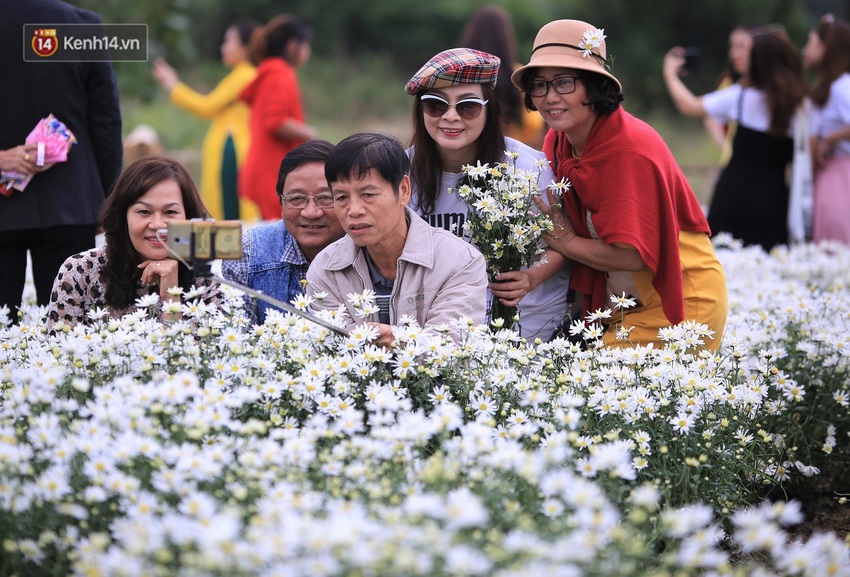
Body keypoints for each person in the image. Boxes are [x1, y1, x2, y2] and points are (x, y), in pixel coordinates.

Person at [512, 19, 727, 350]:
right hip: (623, 298)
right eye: (539, 85)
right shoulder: (558, 140)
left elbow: (632, 258)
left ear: (595, 86)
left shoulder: (628, 148)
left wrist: (568, 241)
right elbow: (551, 224)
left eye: (564, 82)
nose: (549, 97)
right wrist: (530, 277)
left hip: (680, 301)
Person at [404, 47, 570, 342]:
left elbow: (562, 246)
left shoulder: (527, 168)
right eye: (436, 105)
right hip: (440, 329)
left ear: (488, 110)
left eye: (467, 106)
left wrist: (531, 277)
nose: (450, 117)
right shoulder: (403, 172)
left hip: (525, 329)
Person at [0, 0, 122, 320]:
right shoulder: (83, 26)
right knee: (68, 332)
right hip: (70, 200)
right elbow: (106, 123)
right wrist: (109, 199)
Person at [306, 132, 487, 346]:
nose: (353, 210)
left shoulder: (459, 261)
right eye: (342, 197)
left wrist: (399, 340)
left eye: (368, 195)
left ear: (403, 190)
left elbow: (453, 347)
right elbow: (332, 349)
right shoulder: (325, 269)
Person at [664, 27, 807, 251]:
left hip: (733, 195)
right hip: (775, 200)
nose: (740, 56)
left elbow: (690, 106)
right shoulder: (800, 104)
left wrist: (670, 74)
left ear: (759, 60)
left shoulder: (741, 96)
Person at [45, 156, 225, 328]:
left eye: (170, 212)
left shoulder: (204, 278)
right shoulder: (80, 272)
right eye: (144, 212)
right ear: (123, 216)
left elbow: (197, 357)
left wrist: (171, 298)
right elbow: (58, 352)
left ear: (189, 217)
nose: (157, 225)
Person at [222, 140, 345, 324]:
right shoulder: (247, 252)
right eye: (297, 199)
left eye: (326, 198)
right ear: (281, 203)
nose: (311, 212)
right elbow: (238, 341)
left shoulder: (371, 249)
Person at [153, 18, 261, 222]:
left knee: (230, 210)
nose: (224, 47)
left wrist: (172, 85)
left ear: (246, 46)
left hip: (232, 151)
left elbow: (206, 107)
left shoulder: (244, 75)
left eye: (229, 41)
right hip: (233, 148)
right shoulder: (242, 75)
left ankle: (232, 253)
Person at [239, 15, 319, 221]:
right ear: (293, 45)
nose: (308, 51)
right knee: (280, 229)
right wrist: (309, 133)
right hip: (271, 170)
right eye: (306, 45)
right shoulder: (280, 73)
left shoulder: (267, 71)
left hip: (261, 167)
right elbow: (275, 120)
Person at [459, 5, 547, 148]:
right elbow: (534, 123)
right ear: (505, 37)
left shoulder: (457, 76)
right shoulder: (519, 76)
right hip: (511, 158)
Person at [802, 14, 850, 245]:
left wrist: (832, 138)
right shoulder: (826, 86)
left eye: (812, 44)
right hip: (829, 173)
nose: (805, 51)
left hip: (840, 173)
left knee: (835, 240)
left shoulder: (842, 87)